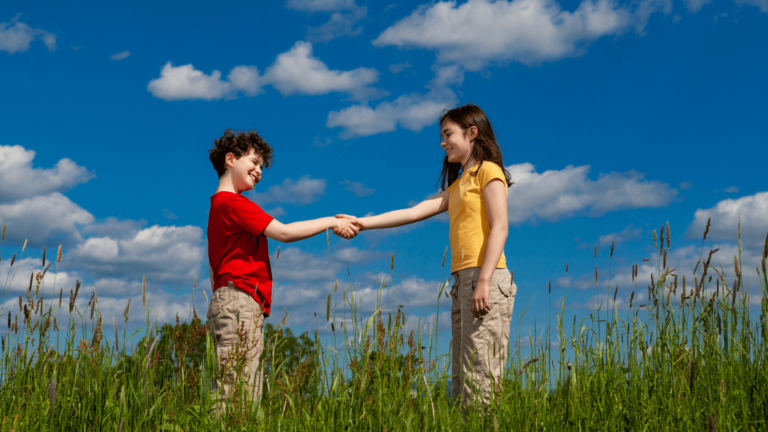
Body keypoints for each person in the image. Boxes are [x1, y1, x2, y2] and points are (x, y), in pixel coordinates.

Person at [338, 104, 516, 408]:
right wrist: (362, 222)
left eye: (448, 134)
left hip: (485, 277)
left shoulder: (489, 171)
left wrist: (484, 281)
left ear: (472, 133)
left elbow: (500, 227)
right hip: (462, 282)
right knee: (463, 381)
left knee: (481, 378)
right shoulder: (459, 184)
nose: (442, 142)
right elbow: (413, 212)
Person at [206, 128, 357, 409]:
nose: (259, 170)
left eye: (262, 166)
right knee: (239, 394)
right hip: (240, 301)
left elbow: (213, 269)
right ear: (230, 159)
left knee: (231, 387)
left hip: (225, 299)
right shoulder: (235, 204)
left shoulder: (217, 208)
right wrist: (331, 221)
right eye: (254, 162)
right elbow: (284, 232)